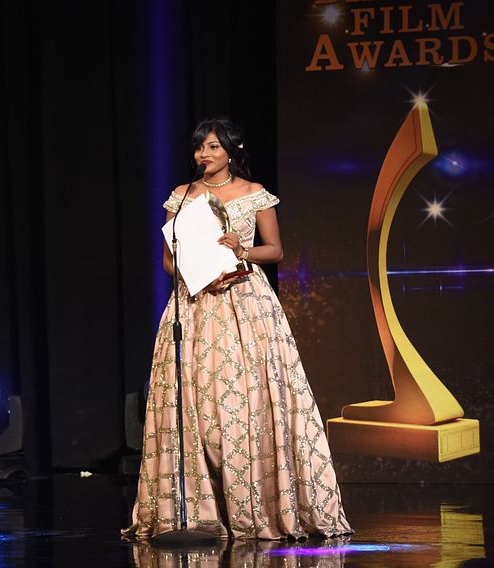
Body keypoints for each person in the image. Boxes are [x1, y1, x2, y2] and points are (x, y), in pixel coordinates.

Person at [123, 118, 351, 540]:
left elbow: (275, 250)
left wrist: (241, 249)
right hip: (195, 303)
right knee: (195, 400)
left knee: (245, 399)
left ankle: (255, 503)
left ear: (231, 149)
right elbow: (168, 262)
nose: (204, 154)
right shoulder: (181, 196)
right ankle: (195, 507)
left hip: (244, 302)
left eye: (212, 146)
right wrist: (196, 273)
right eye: (199, 147)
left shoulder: (253, 192)